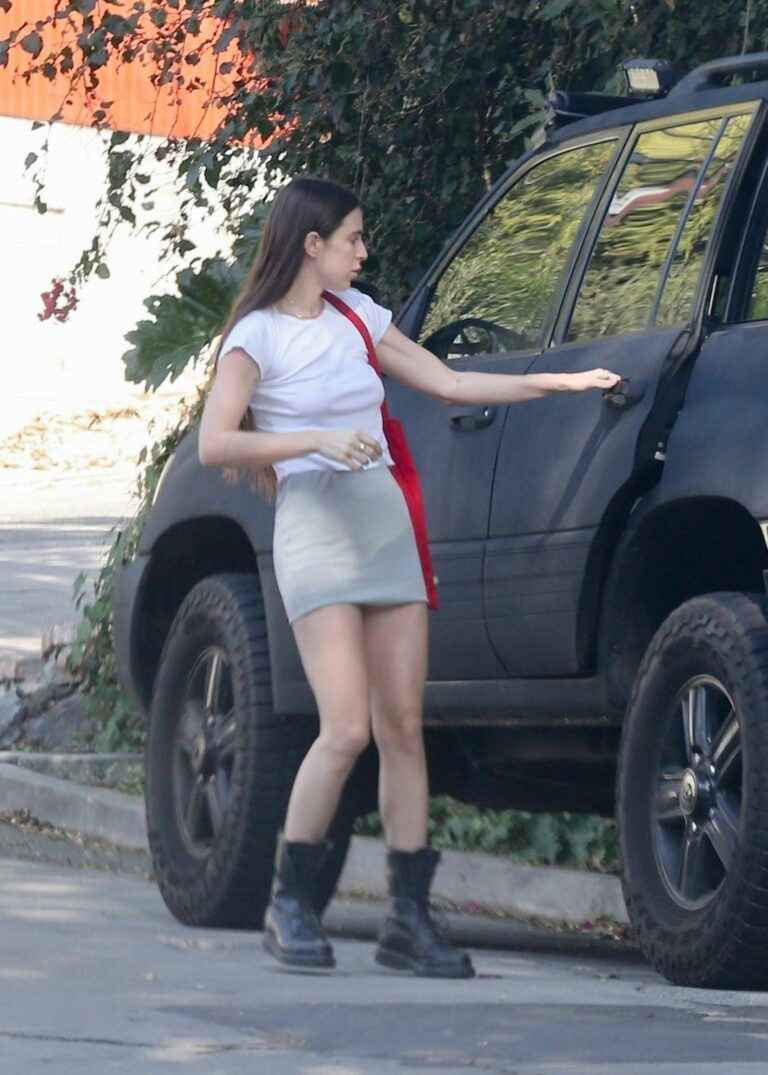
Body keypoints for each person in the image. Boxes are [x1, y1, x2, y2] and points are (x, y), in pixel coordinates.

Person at [198, 176, 621, 979]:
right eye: (353, 238)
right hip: (316, 527)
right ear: (312, 244)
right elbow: (216, 443)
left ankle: (407, 919)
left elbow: (450, 381)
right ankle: (290, 903)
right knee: (345, 728)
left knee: (401, 725)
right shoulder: (256, 336)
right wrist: (315, 439)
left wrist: (561, 384)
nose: (364, 251)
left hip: (383, 524)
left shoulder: (359, 316)